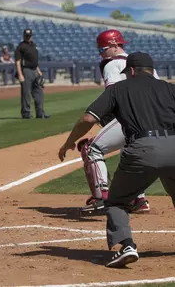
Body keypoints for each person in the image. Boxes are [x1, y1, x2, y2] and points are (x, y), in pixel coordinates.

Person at [58, 52, 175, 268]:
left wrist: (69, 142)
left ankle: (127, 246)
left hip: (142, 149)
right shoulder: (170, 88)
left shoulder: (119, 89)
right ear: (151, 70)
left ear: (131, 71)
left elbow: (88, 119)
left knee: (117, 202)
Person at [76, 29, 154, 214]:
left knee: (90, 148)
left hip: (132, 116)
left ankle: (100, 198)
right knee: (129, 151)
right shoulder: (143, 65)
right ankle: (138, 199)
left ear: (113, 46)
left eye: (102, 49)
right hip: (154, 118)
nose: (101, 54)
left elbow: (114, 97)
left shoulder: (112, 65)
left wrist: (108, 122)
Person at [15, 29, 50, 119]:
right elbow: (18, 62)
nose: (28, 37)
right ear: (23, 36)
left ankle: (40, 112)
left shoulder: (33, 45)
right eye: (26, 36)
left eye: (29, 35)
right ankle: (26, 113)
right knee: (26, 93)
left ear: (31, 36)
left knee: (39, 92)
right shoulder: (20, 46)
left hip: (35, 70)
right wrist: (20, 75)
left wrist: (38, 70)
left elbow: (35, 60)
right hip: (26, 70)